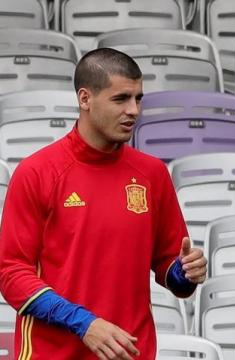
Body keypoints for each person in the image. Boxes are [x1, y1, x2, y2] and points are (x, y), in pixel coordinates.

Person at [0, 48, 207, 360]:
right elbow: (11, 273)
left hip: (130, 353)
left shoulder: (152, 174)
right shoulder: (37, 172)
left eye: (138, 98)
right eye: (121, 98)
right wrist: (85, 323)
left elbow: (169, 266)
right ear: (85, 99)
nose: (134, 110)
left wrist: (184, 272)